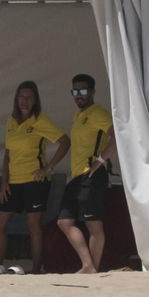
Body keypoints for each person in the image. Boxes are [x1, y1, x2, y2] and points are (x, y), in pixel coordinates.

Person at [44, 74, 117, 273]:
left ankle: (91, 268)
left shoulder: (97, 113)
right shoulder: (78, 117)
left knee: (93, 224)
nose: (79, 95)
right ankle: (88, 266)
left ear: (92, 92)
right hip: (78, 177)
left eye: (83, 91)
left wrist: (100, 160)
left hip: (92, 175)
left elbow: (117, 135)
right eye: (75, 91)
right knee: (64, 221)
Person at [0, 81, 65, 275]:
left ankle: (36, 270)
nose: (25, 101)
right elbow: (7, 155)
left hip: (34, 181)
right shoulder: (11, 122)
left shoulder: (41, 120)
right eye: (21, 97)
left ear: (35, 100)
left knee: (33, 225)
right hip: (12, 182)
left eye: (29, 97)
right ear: (16, 99)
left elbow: (65, 141)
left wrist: (48, 168)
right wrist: (4, 182)